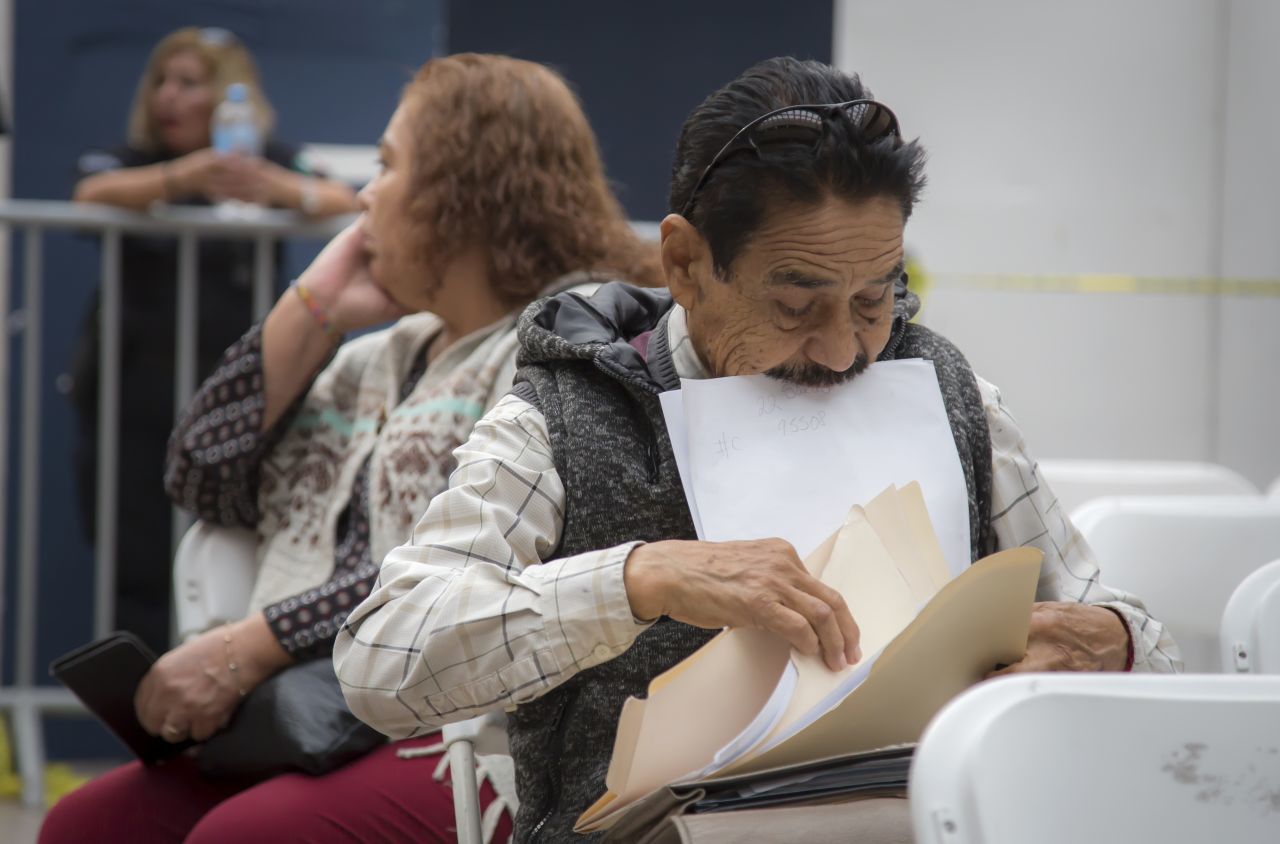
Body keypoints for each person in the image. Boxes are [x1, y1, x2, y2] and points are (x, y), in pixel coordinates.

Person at [334, 57, 1184, 842]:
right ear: (686, 263)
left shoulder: (946, 394)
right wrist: (640, 579)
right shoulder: (565, 414)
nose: (845, 351)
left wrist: (1107, 640)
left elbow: (1144, 638)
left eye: (875, 299)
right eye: (795, 306)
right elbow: (382, 659)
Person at [41, 52, 660, 844]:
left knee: (239, 838)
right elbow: (201, 476)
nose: (366, 194)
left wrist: (250, 649)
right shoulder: (386, 352)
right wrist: (314, 308)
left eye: (388, 166)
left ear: (462, 193)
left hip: (469, 731)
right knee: (88, 824)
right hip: (317, 714)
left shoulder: (557, 347)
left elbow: (461, 567)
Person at [69, 26, 357, 651]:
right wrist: (183, 179)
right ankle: (141, 715)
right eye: (162, 82)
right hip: (133, 393)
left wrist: (275, 189)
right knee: (133, 555)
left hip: (236, 401)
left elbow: (341, 197)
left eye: (189, 83)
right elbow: (90, 190)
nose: (169, 96)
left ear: (229, 96)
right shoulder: (134, 158)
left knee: (229, 553)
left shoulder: (269, 157)